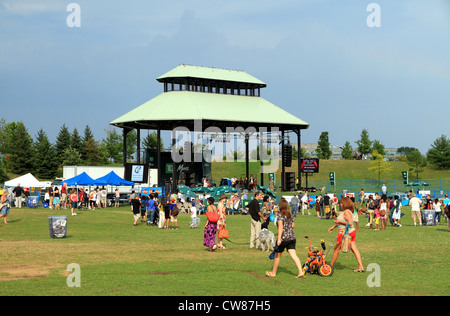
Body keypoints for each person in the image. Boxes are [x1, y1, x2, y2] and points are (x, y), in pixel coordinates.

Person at [265, 198, 305, 279]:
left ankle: (273, 273)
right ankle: (300, 272)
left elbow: (280, 227)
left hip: (283, 238)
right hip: (292, 237)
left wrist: (279, 239)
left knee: (277, 255)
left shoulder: (280, 215)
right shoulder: (290, 214)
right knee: (294, 255)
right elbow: (293, 226)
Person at [328, 197, 364, 273]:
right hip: (351, 232)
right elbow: (342, 221)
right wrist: (333, 227)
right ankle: (360, 266)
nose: (340, 205)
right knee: (354, 249)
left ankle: (330, 266)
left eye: (341, 203)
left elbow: (350, 223)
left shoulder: (346, 212)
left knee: (336, 250)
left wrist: (339, 222)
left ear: (345, 204)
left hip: (345, 233)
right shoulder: (346, 211)